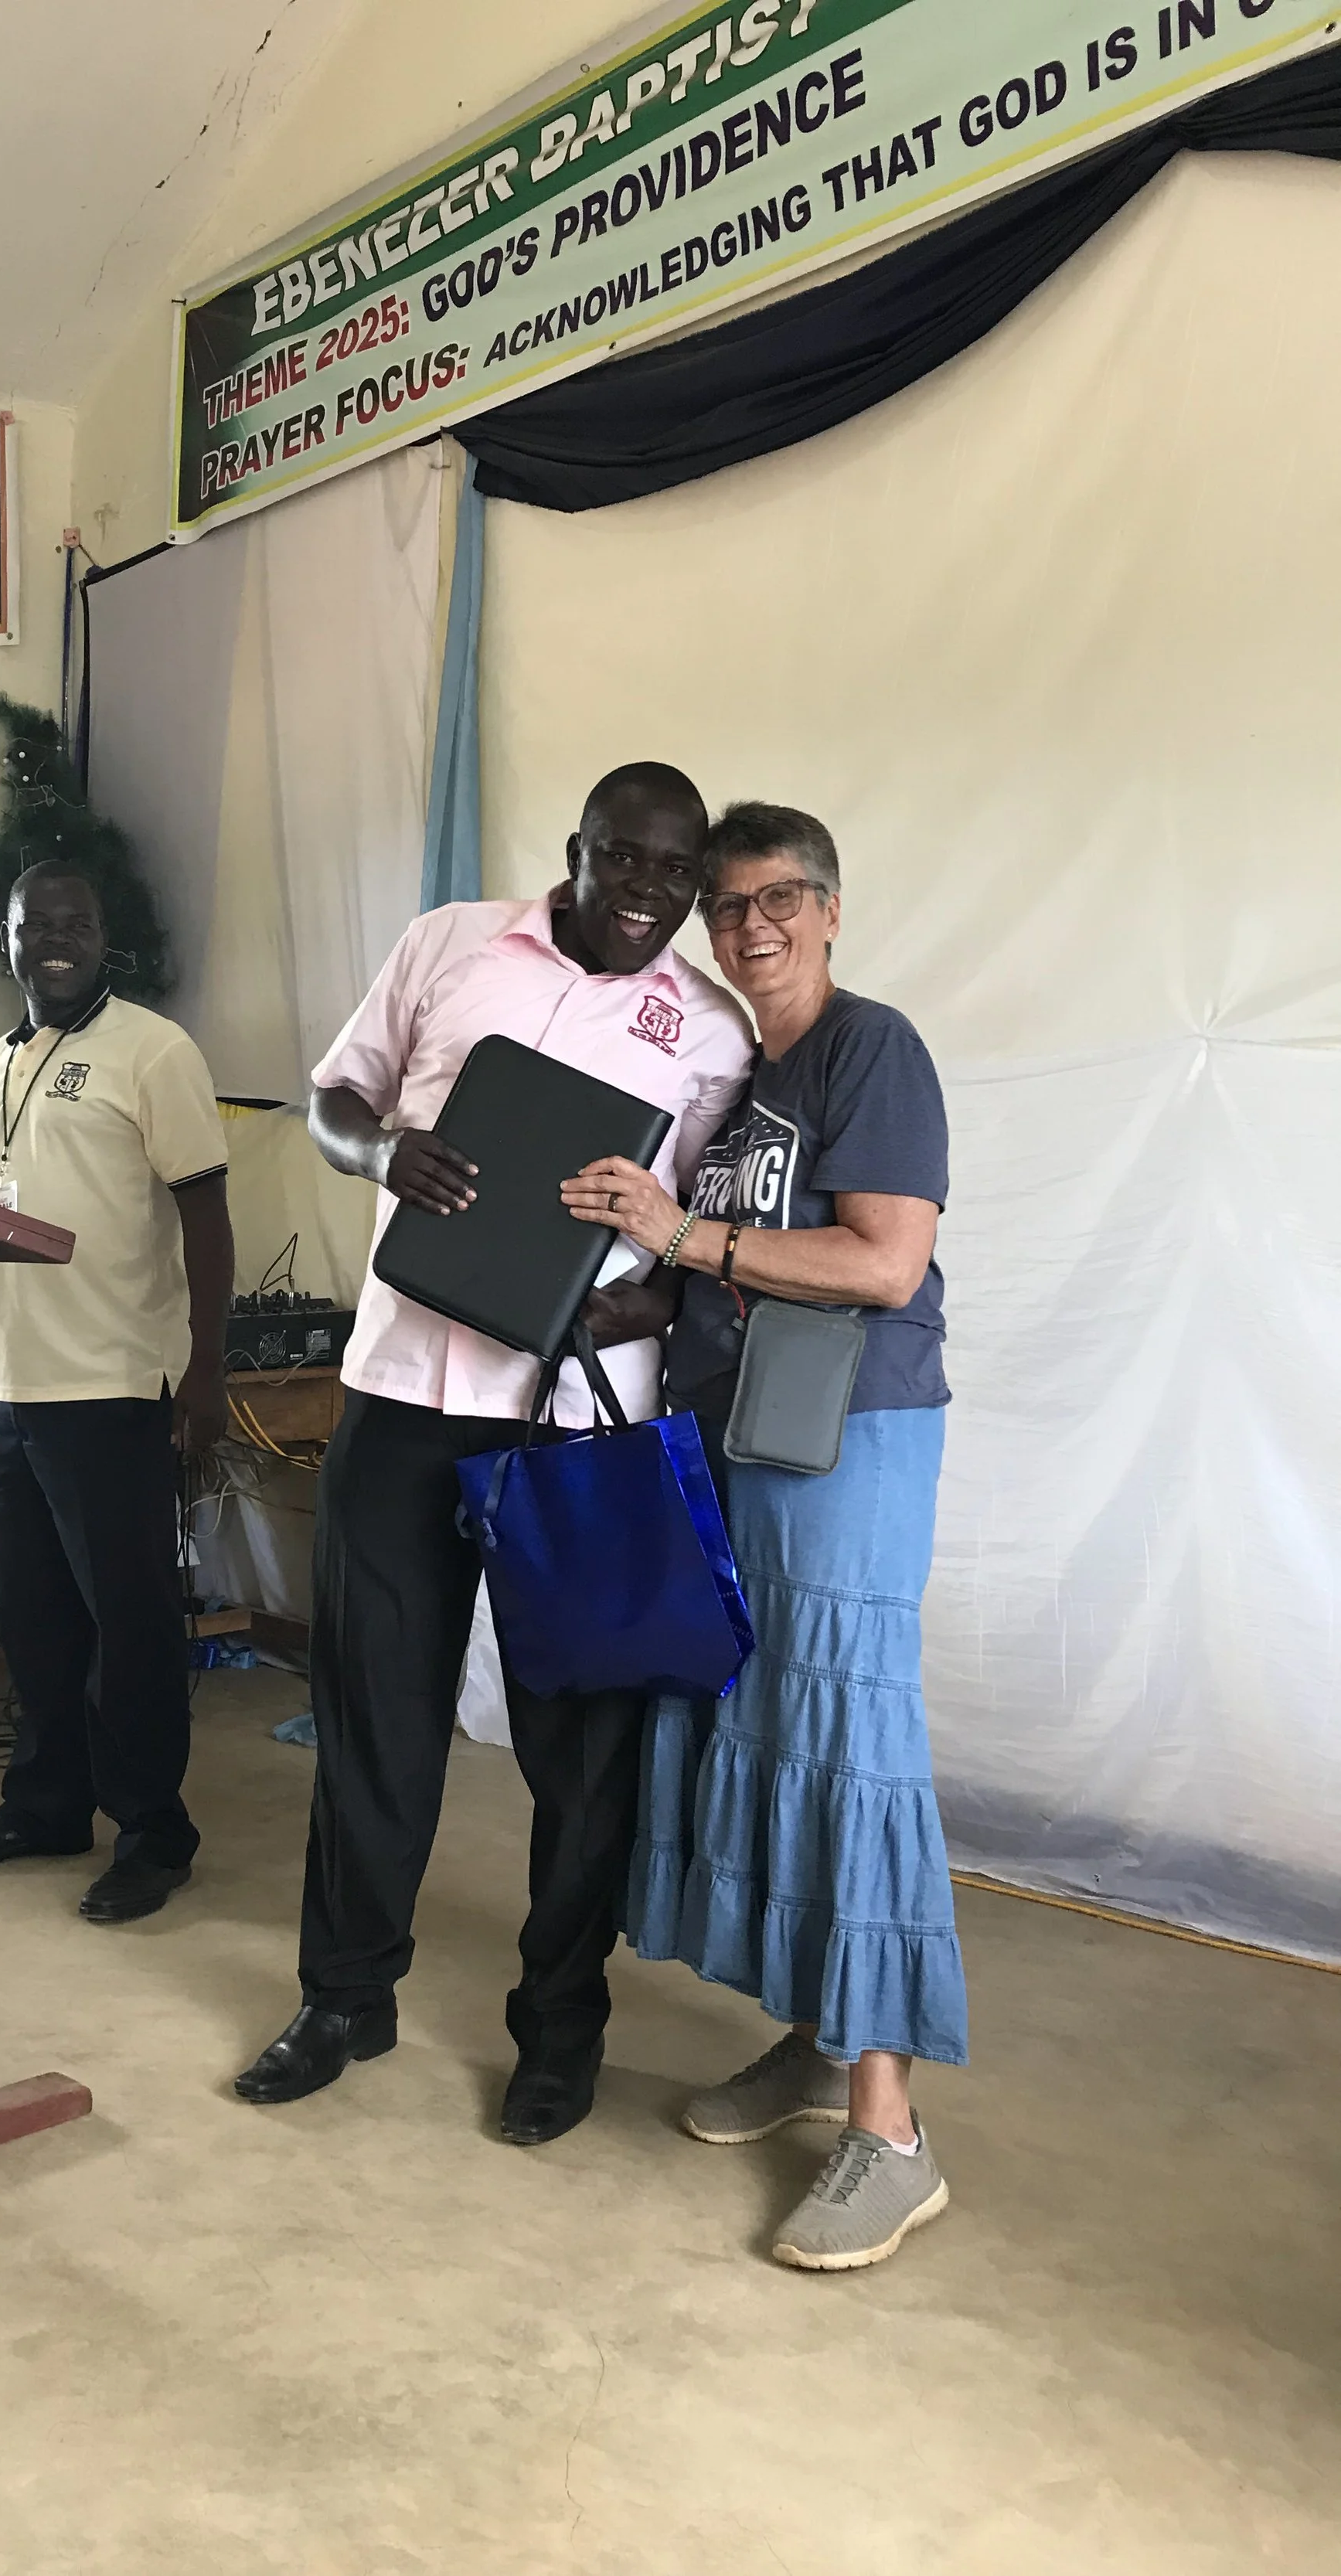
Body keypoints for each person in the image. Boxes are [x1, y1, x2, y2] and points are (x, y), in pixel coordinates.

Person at [233, 764, 754, 2145]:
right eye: (624, 859)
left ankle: (560, 2034)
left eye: (676, 873)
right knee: (375, 1715)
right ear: (576, 850)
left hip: (574, 1421)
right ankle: (344, 1997)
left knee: (581, 1757)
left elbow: (703, 1240)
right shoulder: (450, 944)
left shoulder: (711, 1032)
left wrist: (638, 1303)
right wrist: (381, 1155)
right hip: (403, 1395)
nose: (647, 892)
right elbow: (335, 1098)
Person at [561, 800, 965, 2270]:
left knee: (849, 1749)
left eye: (781, 897)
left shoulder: (874, 1049)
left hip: (847, 1445)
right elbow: (707, 1272)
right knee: (769, 1731)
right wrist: (575, 1281)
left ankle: (892, 2136)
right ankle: (820, 2037)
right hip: (737, 1443)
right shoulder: (742, 1088)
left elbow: (884, 1259)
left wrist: (682, 1235)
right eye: (728, 906)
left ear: (832, 910)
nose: (752, 926)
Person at [0, 863, 233, 1925]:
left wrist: (206, 1368)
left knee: (132, 1623)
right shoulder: (1, 1058)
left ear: (105, 937)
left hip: (115, 1380)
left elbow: (206, 1214)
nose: (55, 939)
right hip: (19, 1386)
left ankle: (156, 1831)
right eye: (36, 925)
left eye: (76, 922)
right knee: (36, 1622)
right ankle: (48, 1804)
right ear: (9, 941)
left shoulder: (154, 1050)